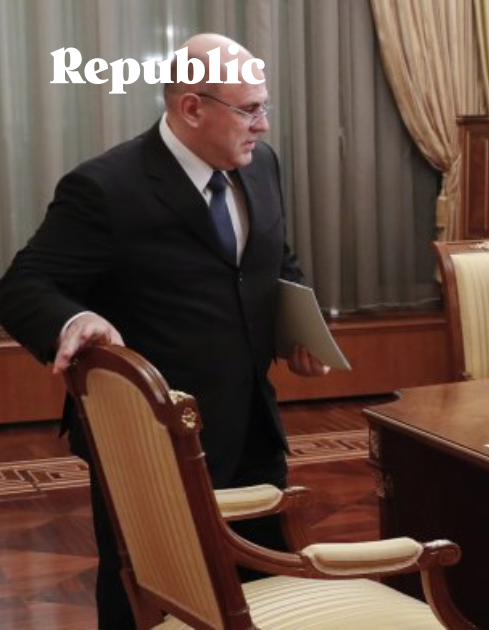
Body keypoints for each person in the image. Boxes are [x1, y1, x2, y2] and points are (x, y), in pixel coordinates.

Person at [0, 33, 328, 628]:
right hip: (151, 441)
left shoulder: (261, 164)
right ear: (192, 108)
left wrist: (302, 329)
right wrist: (76, 317)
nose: (263, 125)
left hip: (254, 423)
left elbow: (274, 258)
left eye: (264, 106)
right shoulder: (105, 187)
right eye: (250, 110)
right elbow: (23, 286)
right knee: (148, 596)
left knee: (257, 591)